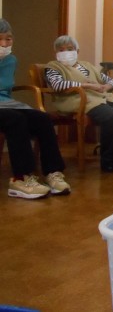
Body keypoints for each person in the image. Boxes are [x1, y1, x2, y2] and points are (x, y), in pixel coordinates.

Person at [45, 35, 113, 173]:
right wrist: (87, 85)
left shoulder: (87, 65)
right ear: (56, 53)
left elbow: (109, 80)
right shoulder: (53, 67)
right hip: (79, 100)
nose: (66, 52)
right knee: (111, 116)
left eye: (70, 49)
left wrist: (107, 86)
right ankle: (108, 159)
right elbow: (57, 85)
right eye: (61, 50)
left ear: (77, 51)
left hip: (101, 97)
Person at [0, 19, 71, 198]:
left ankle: (53, 172)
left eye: (8, 39)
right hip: (5, 109)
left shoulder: (11, 60)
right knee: (16, 119)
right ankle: (20, 179)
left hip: (5, 103)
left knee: (42, 118)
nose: (4, 44)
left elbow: (5, 87)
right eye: (0, 39)